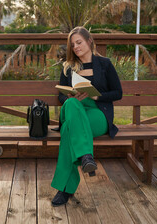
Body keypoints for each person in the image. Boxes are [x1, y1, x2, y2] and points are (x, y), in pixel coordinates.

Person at [51, 26, 123, 206]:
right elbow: (61, 96)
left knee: (68, 129)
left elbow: (118, 93)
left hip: (97, 113)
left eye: (79, 42)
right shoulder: (68, 67)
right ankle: (86, 157)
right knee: (72, 104)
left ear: (89, 41)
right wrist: (69, 96)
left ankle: (64, 190)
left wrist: (96, 95)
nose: (76, 47)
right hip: (75, 107)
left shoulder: (105, 64)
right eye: (73, 44)